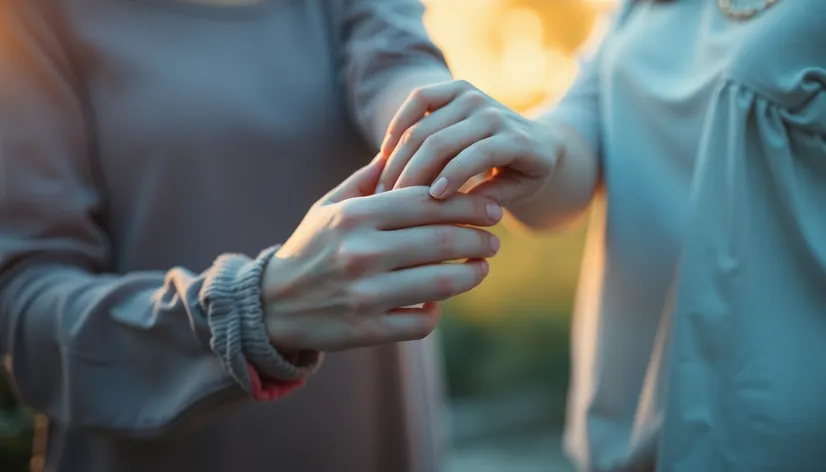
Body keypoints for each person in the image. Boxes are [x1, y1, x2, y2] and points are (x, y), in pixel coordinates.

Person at [0, 0, 503, 471]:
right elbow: (26, 313)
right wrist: (249, 312)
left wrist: (448, 128)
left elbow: (397, 67)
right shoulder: (33, 18)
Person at [378, 0, 826, 471]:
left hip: (779, 432)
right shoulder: (640, 9)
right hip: (629, 433)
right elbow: (571, 157)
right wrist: (525, 146)